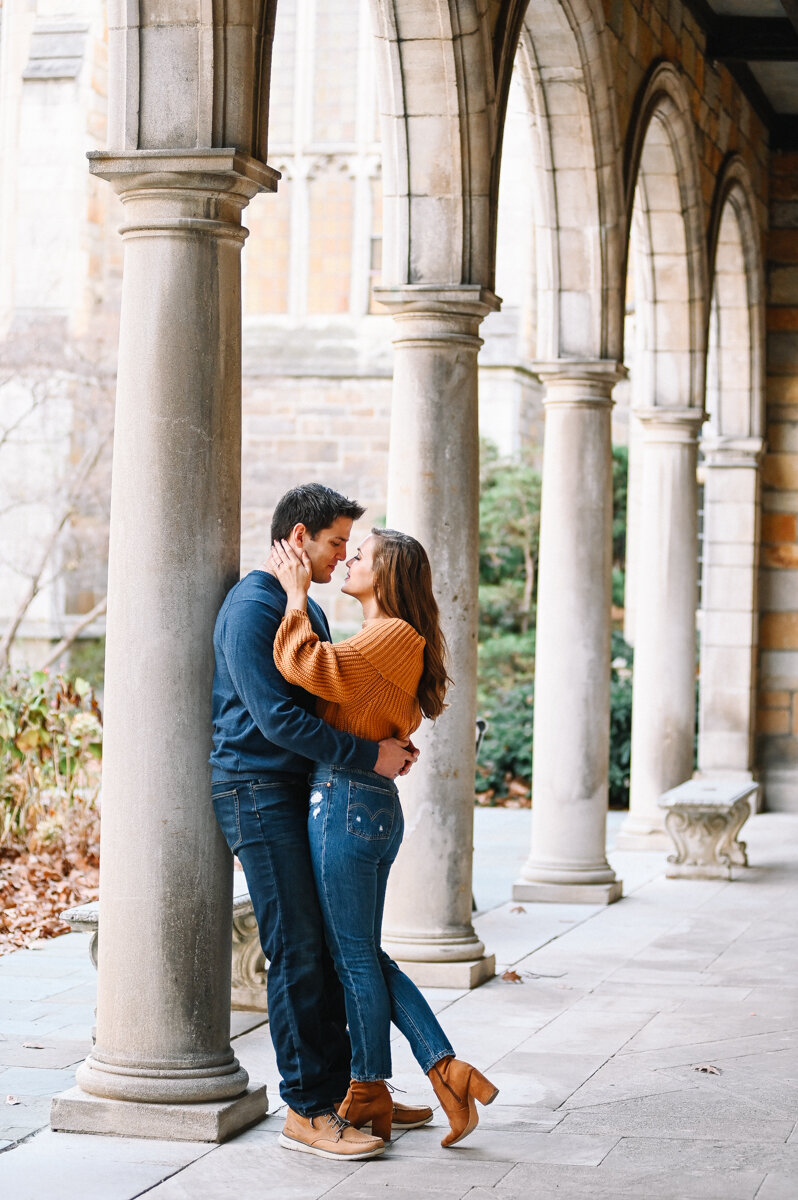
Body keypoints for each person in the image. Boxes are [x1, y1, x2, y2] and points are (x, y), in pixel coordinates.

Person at [210, 484, 427, 1162]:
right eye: (337, 543)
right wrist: (371, 754)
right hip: (255, 792)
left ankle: (346, 1095)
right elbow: (278, 722)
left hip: (294, 789)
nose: (343, 556)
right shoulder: (254, 607)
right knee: (297, 948)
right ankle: (306, 1109)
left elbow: (330, 703)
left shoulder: (302, 612)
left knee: (325, 945)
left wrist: (383, 740)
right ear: (299, 540)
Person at [269, 526, 499, 1150]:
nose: (347, 560)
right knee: (362, 954)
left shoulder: (393, 635)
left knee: (353, 958)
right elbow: (354, 698)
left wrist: (293, 596)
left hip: (347, 800)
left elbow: (305, 664)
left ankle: (373, 1085)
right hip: (360, 801)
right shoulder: (384, 639)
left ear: (388, 575)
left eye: (361, 555)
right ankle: (442, 1071)